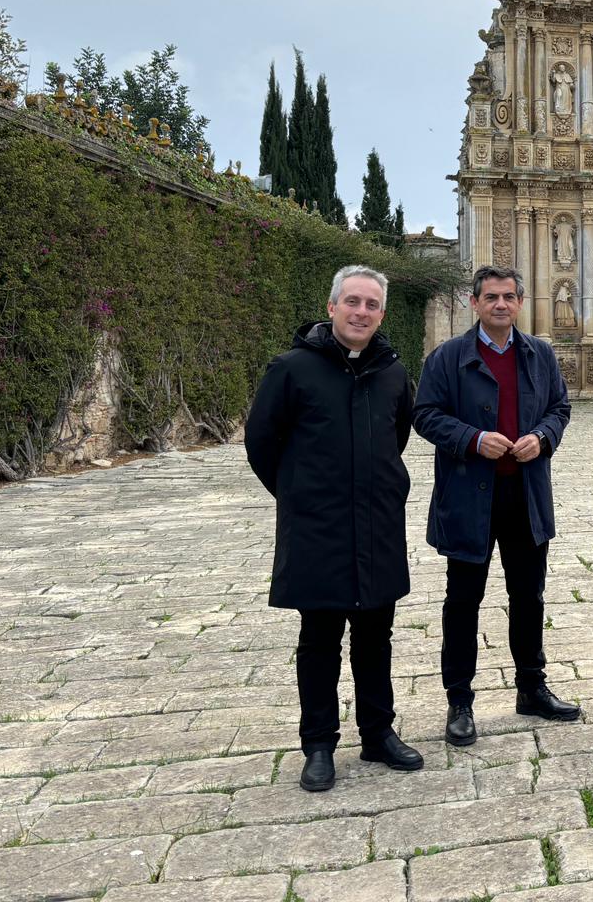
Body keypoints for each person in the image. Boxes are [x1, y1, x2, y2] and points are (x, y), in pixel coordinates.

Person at [245, 265, 423, 792]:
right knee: (319, 637)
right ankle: (318, 744)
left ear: (382, 314)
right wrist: (299, 493)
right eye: (352, 302)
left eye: (371, 305)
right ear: (331, 307)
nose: (360, 312)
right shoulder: (291, 369)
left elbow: (396, 436)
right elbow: (261, 443)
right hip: (317, 527)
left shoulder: (392, 371)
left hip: (377, 524)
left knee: (376, 635)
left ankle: (377, 733)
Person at [413, 266, 579, 746]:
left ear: (521, 303)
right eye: (491, 297)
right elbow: (425, 415)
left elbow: (560, 409)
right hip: (469, 497)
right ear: (475, 302)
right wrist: (473, 438)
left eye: (509, 296)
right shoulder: (446, 357)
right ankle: (459, 700)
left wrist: (543, 437)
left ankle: (531, 687)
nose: (500, 304)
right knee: (463, 601)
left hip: (524, 495)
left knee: (529, 597)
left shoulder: (540, 354)